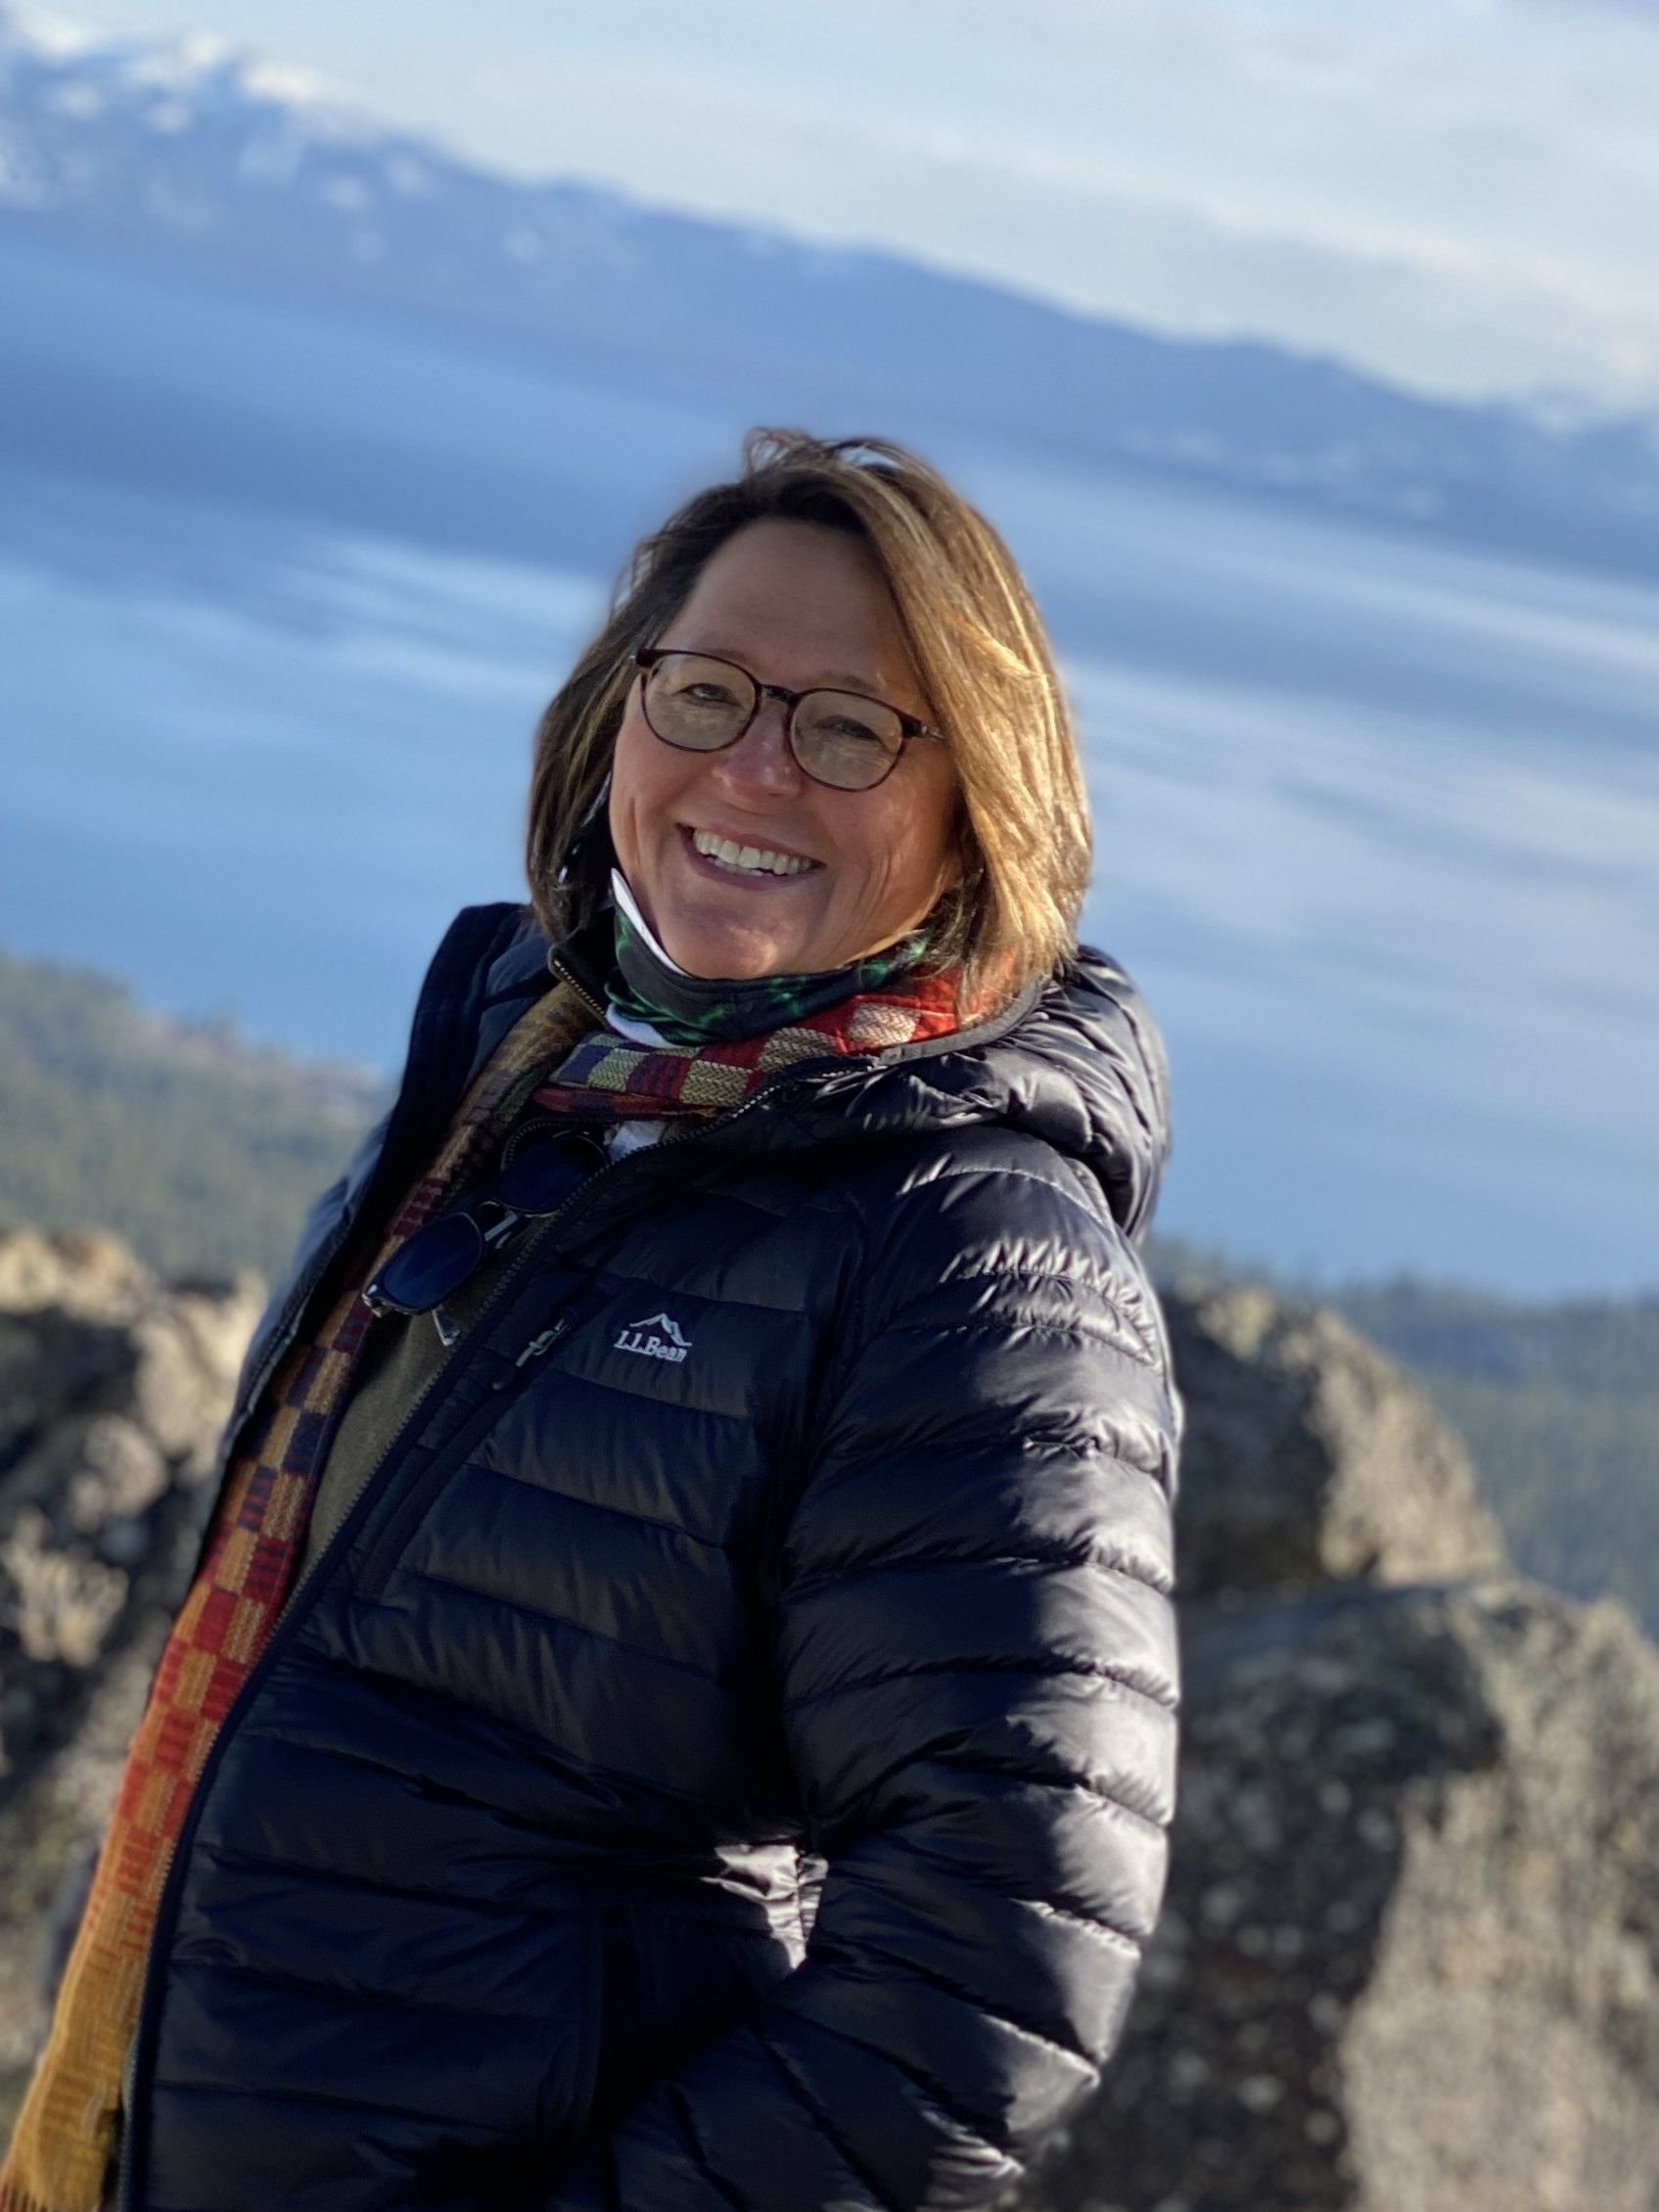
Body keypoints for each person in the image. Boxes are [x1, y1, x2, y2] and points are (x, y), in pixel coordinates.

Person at [2, 430, 1183, 2212]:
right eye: (707, 692)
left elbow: (996, 1965)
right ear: (618, 717)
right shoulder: (527, 1093)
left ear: (977, 808)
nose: (756, 769)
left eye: (853, 728)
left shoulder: (965, 1254)